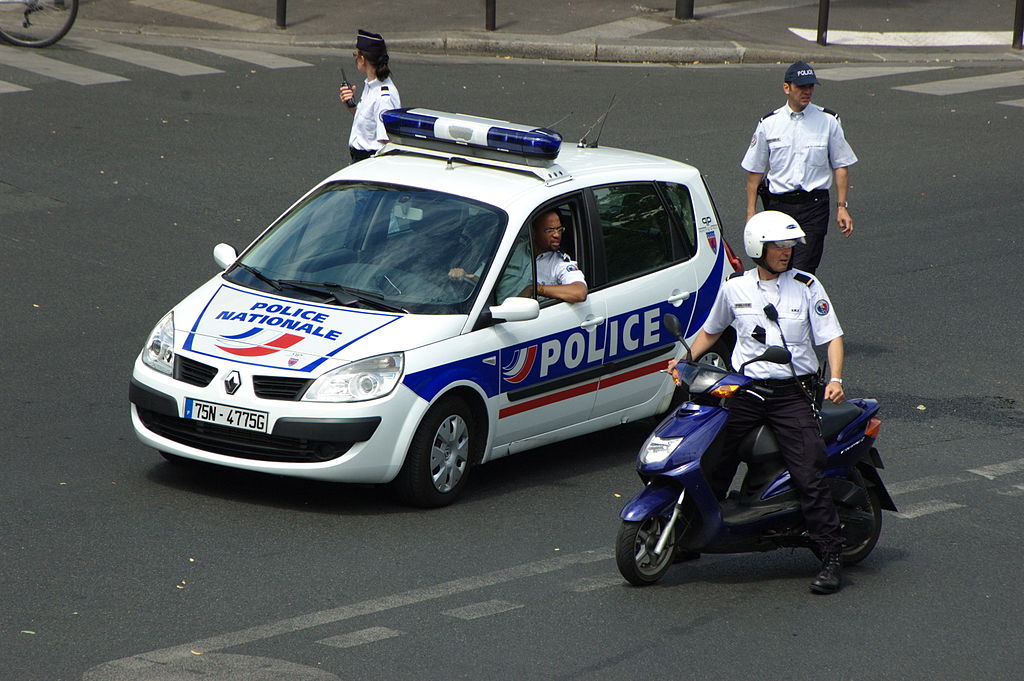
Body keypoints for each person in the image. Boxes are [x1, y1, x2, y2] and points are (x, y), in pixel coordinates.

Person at [669, 210, 847, 594]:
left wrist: (834, 379)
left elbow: (831, 337)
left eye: (789, 245)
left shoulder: (807, 285)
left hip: (792, 393)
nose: (787, 252)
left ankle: (831, 554)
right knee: (713, 456)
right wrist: (684, 360)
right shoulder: (735, 289)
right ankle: (694, 535)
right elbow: (711, 331)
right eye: (779, 246)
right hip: (746, 390)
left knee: (807, 472)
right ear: (758, 249)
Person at [741, 61, 858, 274]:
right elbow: (755, 171)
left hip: (814, 207)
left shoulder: (828, 121)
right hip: (779, 206)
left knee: (803, 270)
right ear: (787, 88)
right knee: (776, 268)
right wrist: (751, 212)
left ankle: (801, 308)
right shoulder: (768, 124)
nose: (807, 92)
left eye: (811, 87)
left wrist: (842, 206)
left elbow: (841, 165)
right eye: (801, 87)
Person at [339, 29, 401, 163]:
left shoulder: (383, 96)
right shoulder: (371, 86)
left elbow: (387, 144)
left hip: (369, 163)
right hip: (360, 161)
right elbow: (369, 124)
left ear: (362, 59)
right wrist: (351, 106)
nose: (355, 58)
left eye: (355, 54)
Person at [530, 210, 587, 303]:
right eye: (550, 230)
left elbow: (579, 292)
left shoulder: (560, 263)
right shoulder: (517, 250)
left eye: (559, 229)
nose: (557, 235)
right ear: (534, 232)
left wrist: (536, 289)